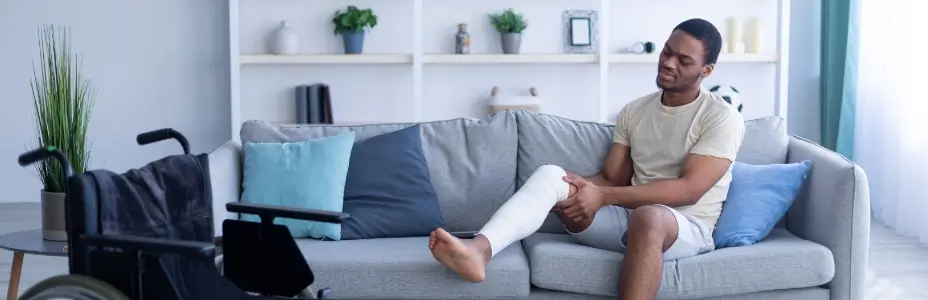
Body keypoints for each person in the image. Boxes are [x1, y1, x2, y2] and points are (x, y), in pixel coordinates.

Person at [428, 18, 745, 300]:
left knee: (649, 217)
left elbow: (689, 189)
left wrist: (604, 195)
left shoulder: (720, 117)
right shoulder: (635, 111)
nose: (669, 63)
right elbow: (612, 179)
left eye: (683, 60)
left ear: (706, 71)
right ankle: (478, 252)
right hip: (626, 216)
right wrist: (574, 190)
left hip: (685, 226)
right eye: (667, 52)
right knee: (553, 175)